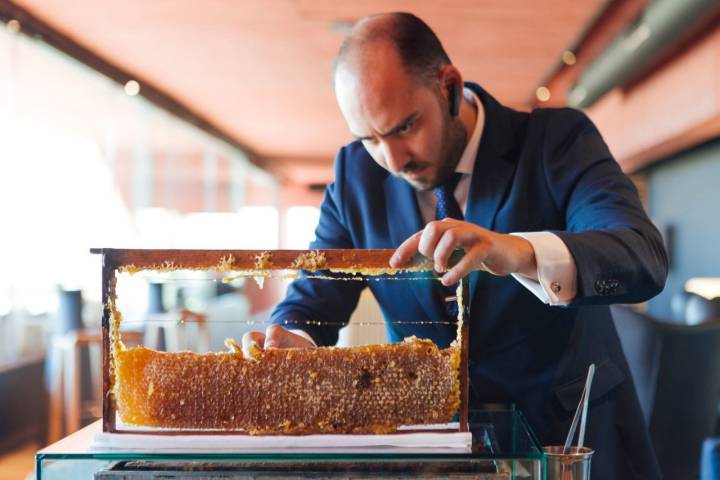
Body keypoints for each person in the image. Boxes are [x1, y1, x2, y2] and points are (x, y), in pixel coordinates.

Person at [242, 12, 667, 478]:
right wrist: (289, 340)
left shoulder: (556, 142)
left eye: (404, 126)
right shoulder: (354, 177)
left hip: (565, 442)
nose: (393, 159)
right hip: (428, 453)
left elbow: (641, 256)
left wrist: (518, 252)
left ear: (449, 86)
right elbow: (318, 293)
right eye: (369, 139)